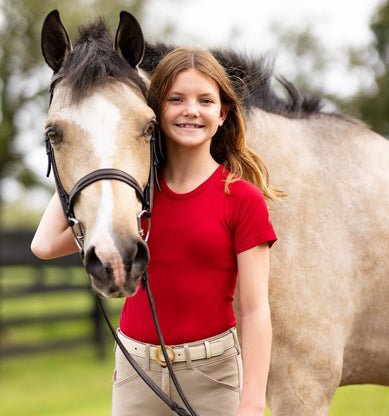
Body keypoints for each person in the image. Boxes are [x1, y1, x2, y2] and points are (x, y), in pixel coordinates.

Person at [32, 47, 280, 416]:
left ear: (222, 113)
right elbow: (46, 244)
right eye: (176, 99)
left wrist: (252, 402)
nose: (191, 110)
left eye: (205, 100)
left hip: (214, 375)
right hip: (137, 374)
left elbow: (256, 309)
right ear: (155, 111)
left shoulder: (241, 199)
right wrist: (76, 145)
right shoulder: (133, 199)